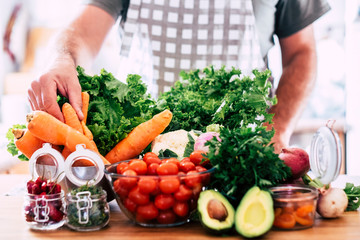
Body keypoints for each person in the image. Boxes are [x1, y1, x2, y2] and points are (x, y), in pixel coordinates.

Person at [27, 0, 330, 153]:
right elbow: (83, 31)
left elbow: (301, 52)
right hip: (144, 159)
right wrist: (61, 59)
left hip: (242, 151)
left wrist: (275, 132)